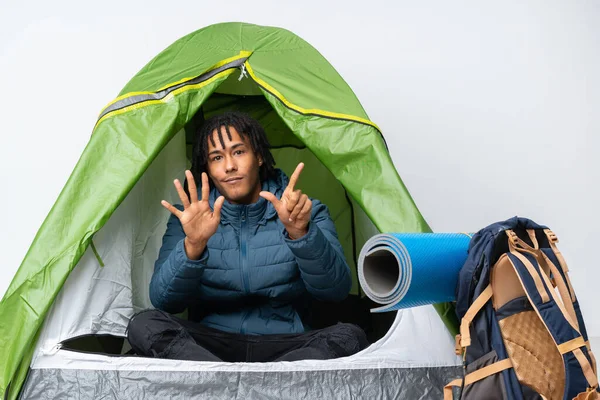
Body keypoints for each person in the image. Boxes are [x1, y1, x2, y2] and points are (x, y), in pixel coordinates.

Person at [127, 111, 368, 362]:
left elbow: (335, 291)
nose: (230, 165)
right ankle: (240, 382)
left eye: (239, 152)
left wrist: (301, 234)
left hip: (286, 344)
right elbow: (164, 301)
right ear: (208, 168)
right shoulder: (190, 218)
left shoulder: (306, 212)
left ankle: (241, 384)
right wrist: (193, 245)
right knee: (143, 324)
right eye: (217, 157)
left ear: (260, 156)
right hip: (211, 346)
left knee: (350, 336)